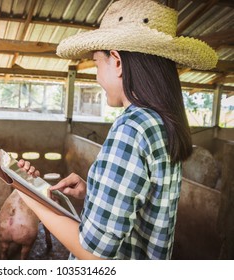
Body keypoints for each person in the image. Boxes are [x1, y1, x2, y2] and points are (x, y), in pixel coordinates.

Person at [16, 0, 218, 260]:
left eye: (97, 63)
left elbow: (95, 257)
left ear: (117, 61)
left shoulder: (131, 128)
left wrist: (29, 195)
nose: (97, 76)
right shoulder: (160, 122)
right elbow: (145, 206)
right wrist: (93, 193)